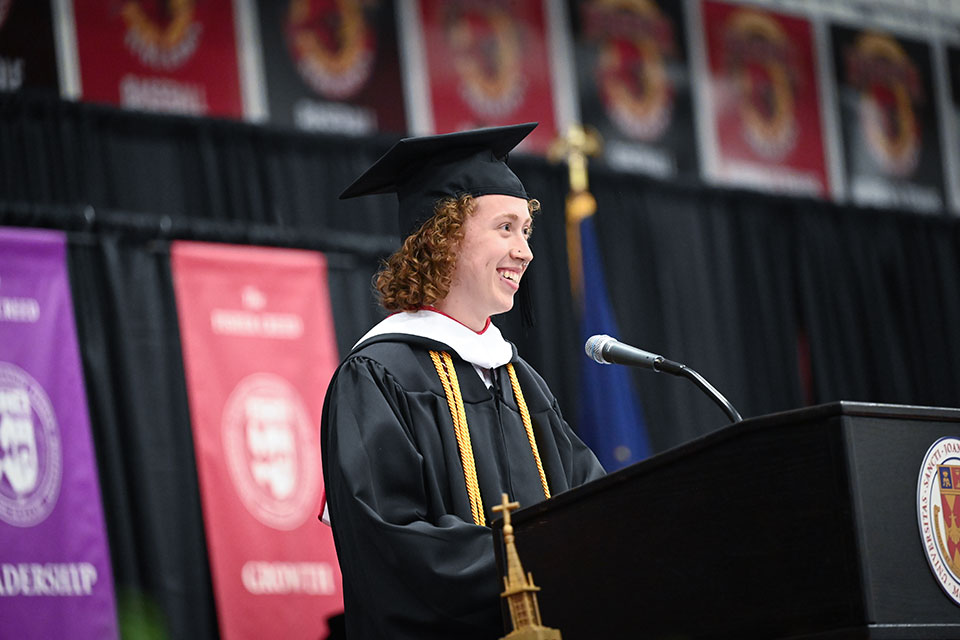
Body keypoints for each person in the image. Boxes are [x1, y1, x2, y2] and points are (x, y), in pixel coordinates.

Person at [321, 123, 605, 640]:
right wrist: (535, 561)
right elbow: (390, 545)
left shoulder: (522, 383)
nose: (526, 251)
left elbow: (596, 505)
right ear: (444, 234)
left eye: (526, 231)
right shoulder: (379, 378)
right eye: (505, 228)